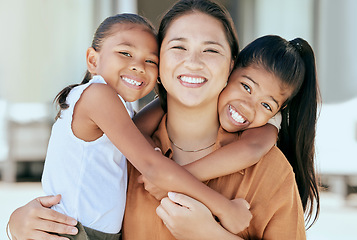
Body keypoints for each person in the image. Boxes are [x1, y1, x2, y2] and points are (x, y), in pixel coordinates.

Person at [8, 0, 320, 239]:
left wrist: (212, 235)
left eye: (210, 50)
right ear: (160, 64)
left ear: (232, 67)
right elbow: (66, 202)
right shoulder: (122, 153)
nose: (193, 62)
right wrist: (17, 225)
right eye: (178, 47)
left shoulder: (267, 169)